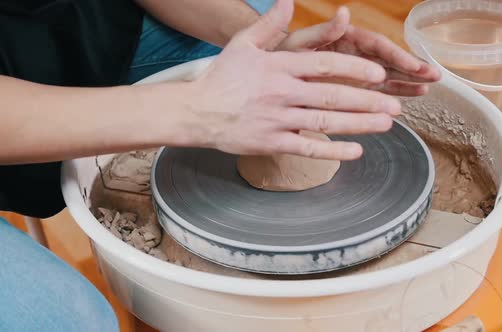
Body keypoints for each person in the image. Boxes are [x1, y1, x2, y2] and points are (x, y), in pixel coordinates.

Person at [0, 0, 440, 330]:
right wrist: (195, 111)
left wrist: (269, 46)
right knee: (68, 320)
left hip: (52, 22)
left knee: (258, 7)